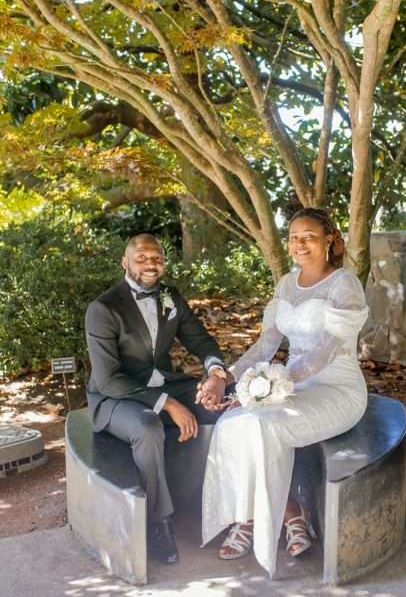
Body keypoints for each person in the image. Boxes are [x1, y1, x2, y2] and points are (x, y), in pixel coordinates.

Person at [202, 208, 369, 577]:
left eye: (309, 236)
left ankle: (281, 516)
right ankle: (254, 516)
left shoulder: (344, 284)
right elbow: (264, 347)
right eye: (294, 236)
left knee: (264, 424)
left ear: (329, 240)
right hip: (286, 383)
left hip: (335, 386)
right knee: (232, 421)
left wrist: (268, 386)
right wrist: (226, 377)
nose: (299, 243)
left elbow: (322, 355)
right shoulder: (285, 285)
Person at [85, 233, 227, 565]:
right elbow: (108, 379)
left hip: (164, 382)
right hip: (116, 397)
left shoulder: (170, 296)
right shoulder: (103, 308)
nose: (151, 264)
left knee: (226, 405)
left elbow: (201, 341)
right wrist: (168, 403)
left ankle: (226, 507)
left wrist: (216, 373)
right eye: (142, 258)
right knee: (148, 428)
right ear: (125, 262)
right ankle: (158, 522)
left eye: (157, 257)